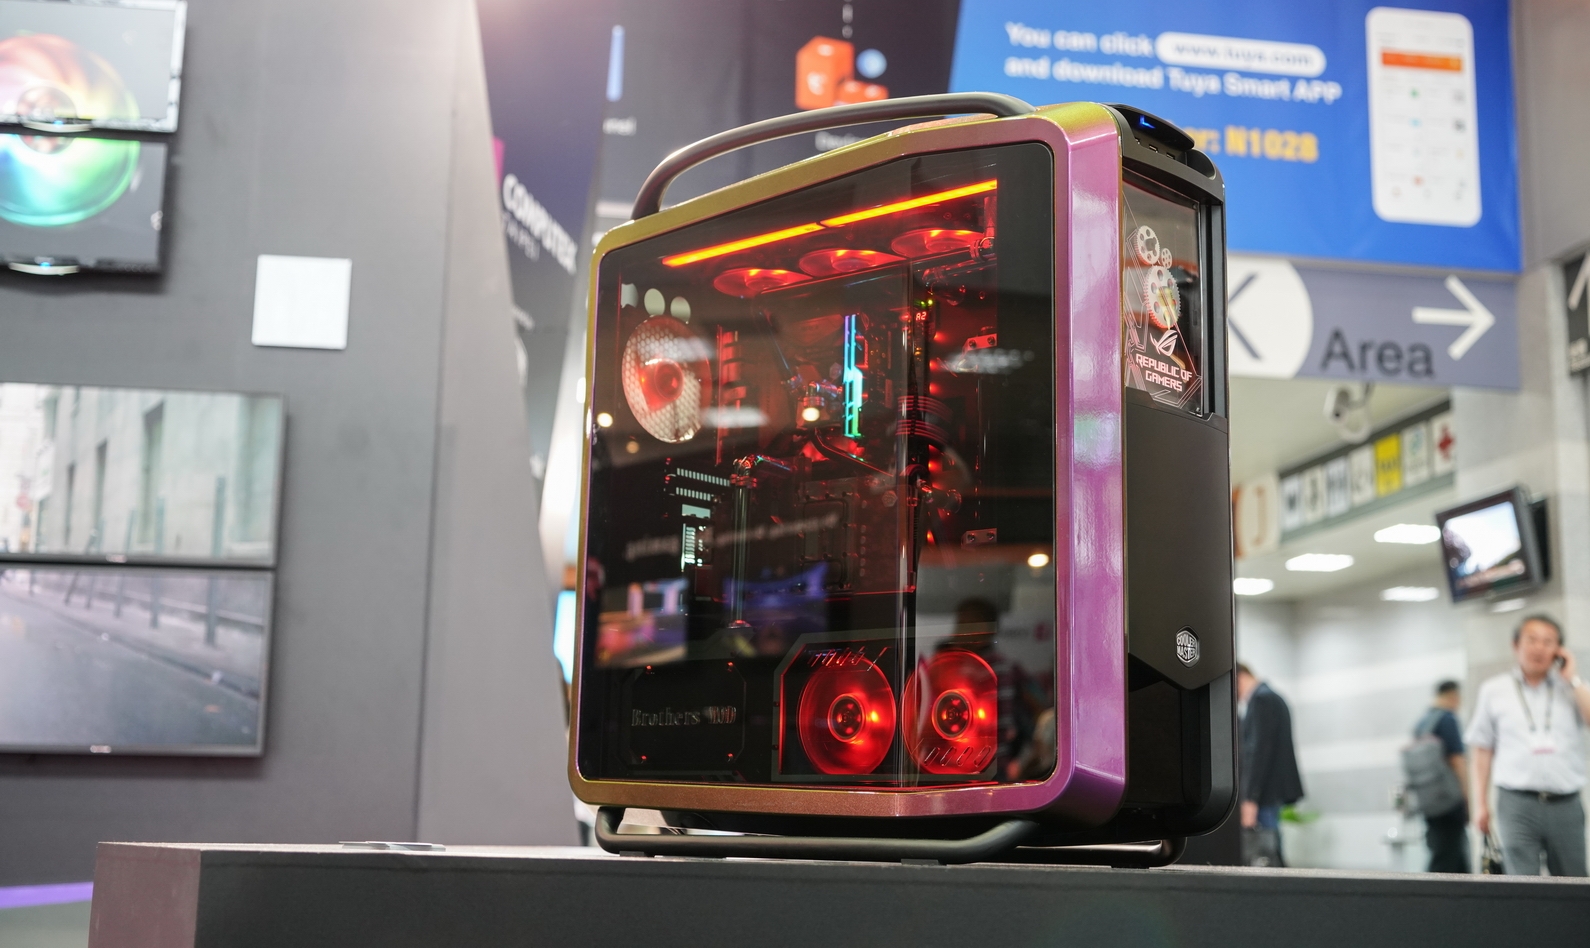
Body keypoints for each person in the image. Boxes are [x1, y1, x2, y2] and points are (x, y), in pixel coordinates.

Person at [1466, 614, 1590, 876]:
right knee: (1520, 883)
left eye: (1548, 642)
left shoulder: (1571, 689)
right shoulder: (1494, 690)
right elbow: (1482, 749)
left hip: (1565, 803)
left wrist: (1573, 679)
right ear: (1516, 645)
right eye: (1532, 640)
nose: (1539, 648)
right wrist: (1480, 804)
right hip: (1516, 803)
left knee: (1574, 882)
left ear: (1559, 650)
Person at [1237, 662, 1305, 866]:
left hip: (1265, 790)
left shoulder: (1261, 699)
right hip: (1271, 789)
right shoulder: (1272, 697)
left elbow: (1258, 751)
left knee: (1265, 850)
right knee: (1271, 846)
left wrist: (1250, 797)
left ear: (1239, 677)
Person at [1412, 680, 1469, 873]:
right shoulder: (1447, 719)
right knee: (1445, 861)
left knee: (1449, 855)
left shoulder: (1422, 723)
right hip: (1449, 801)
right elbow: (1457, 761)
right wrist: (1467, 797)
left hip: (1429, 800)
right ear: (1453, 696)